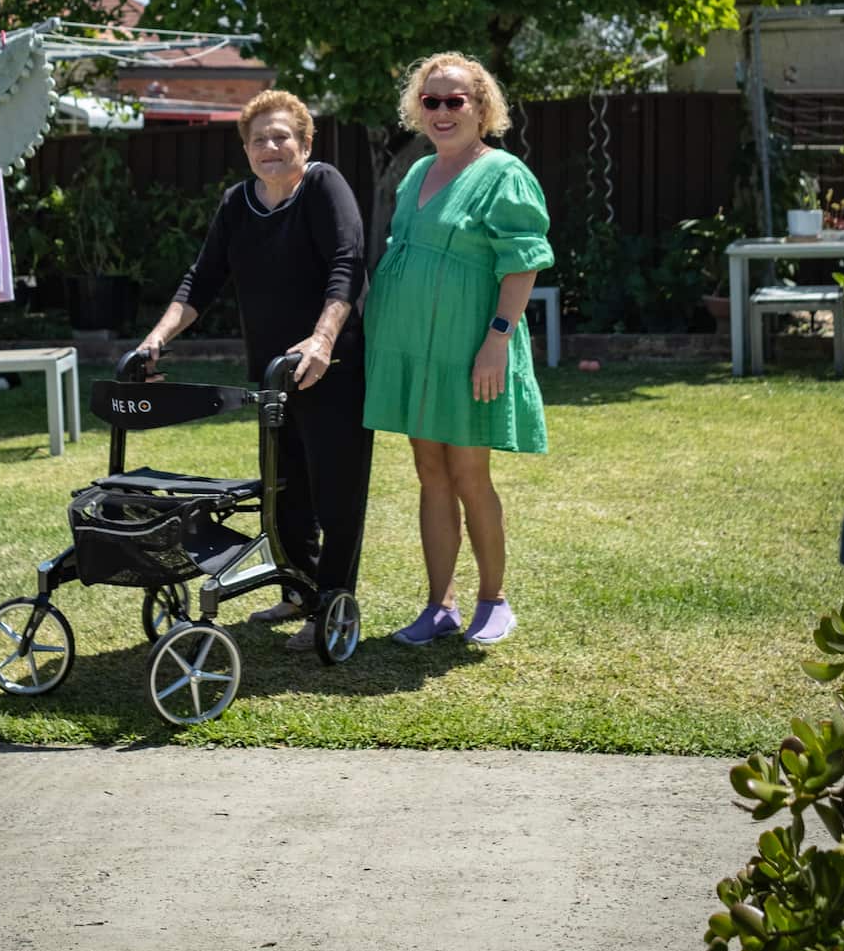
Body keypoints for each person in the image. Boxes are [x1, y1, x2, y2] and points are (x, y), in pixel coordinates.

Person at [136, 89, 372, 652]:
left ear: (304, 142)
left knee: (335, 492)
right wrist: (157, 338)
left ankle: (333, 603)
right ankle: (299, 588)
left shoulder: (323, 186)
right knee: (283, 487)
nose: (270, 146)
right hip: (272, 376)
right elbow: (202, 279)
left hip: (332, 366)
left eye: (281, 136)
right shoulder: (236, 203)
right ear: (245, 148)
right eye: (259, 138)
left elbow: (348, 262)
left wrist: (321, 338)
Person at [364, 53, 553, 647]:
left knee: (471, 474)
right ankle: (438, 604)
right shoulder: (418, 173)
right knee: (429, 473)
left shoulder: (504, 173)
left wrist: (496, 341)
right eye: (431, 101)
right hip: (416, 351)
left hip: (473, 346)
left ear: (481, 107)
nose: (443, 112)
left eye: (455, 101)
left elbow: (522, 263)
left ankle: (493, 599)